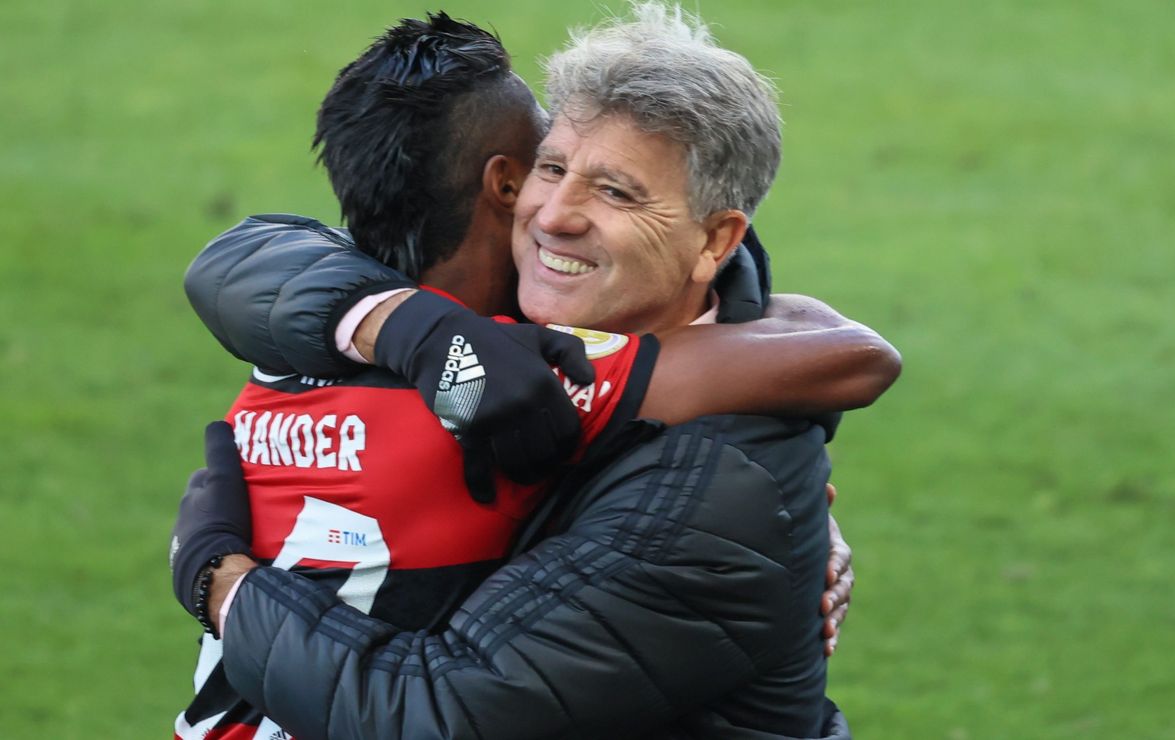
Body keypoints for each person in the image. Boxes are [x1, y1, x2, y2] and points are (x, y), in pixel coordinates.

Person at [173, 4, 898, 738]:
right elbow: (251, 258)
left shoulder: (713, 483)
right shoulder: (484, 335)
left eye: (615, 191)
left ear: (715, 241)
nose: (553, 215)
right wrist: (408, 326)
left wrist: (221, 581)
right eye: (551, 168)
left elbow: (439, 716)